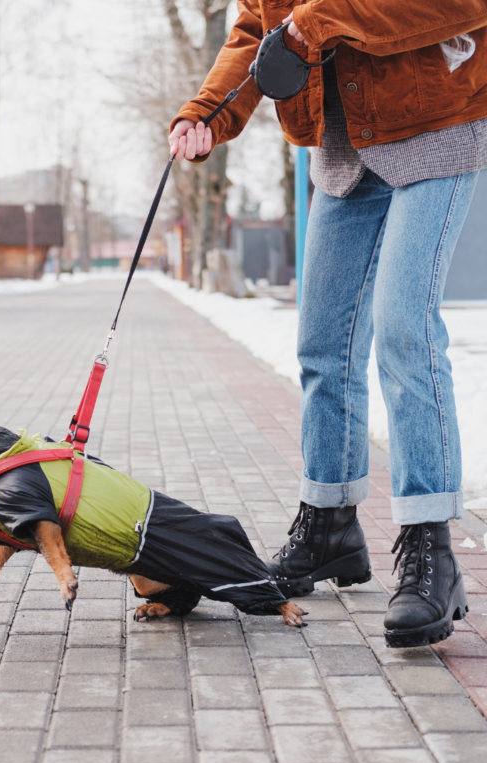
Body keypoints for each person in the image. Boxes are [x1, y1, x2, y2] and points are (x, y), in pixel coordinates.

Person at [169, 1, 487, 648]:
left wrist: (315, 23)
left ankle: (431, 554)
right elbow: (257, 33)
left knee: (404, 330)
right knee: (323, 346)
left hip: (435, 123)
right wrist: (207, 111)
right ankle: (329, 525)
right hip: (342, 148)